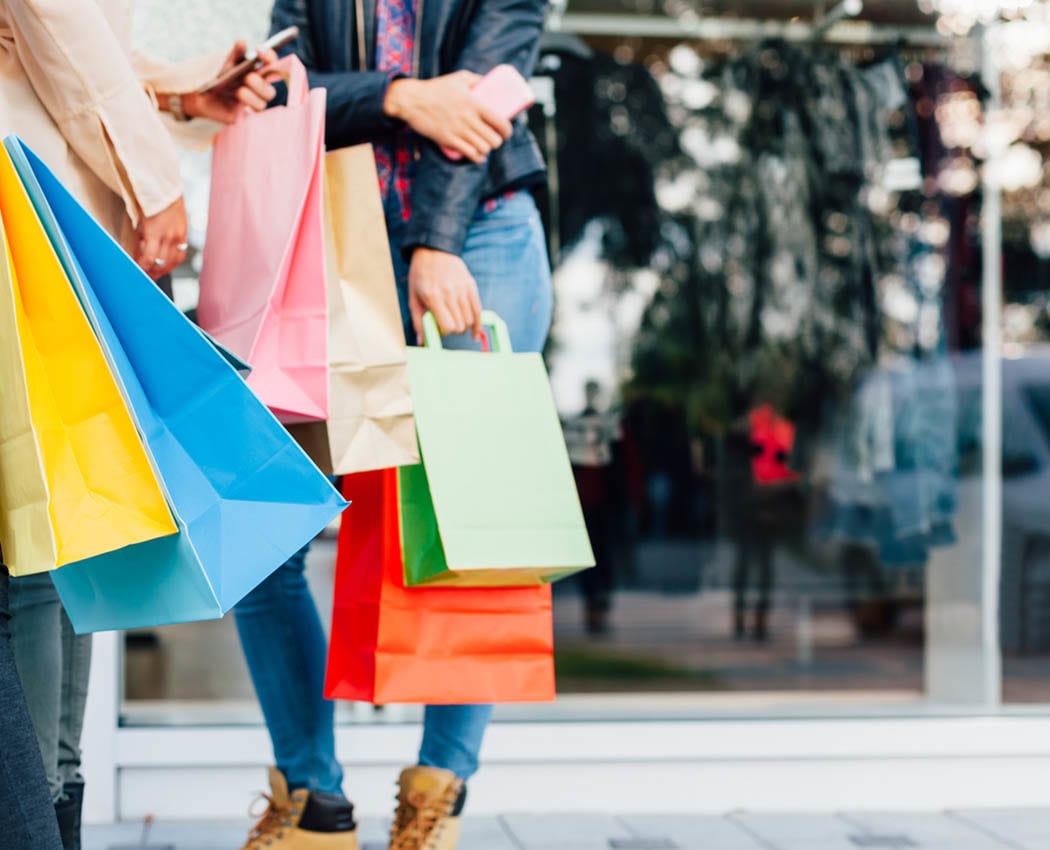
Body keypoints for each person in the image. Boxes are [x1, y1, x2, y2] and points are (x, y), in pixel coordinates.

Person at [233, 0, 550, 848]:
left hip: (479, 237)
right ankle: (314, 803)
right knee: (267, 528)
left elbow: (486, 101)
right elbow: (283, 96)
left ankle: (435, 794)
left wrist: (437, 244)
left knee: (474, 528)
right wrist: (405, 96)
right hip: (334, 239)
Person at [0, 3, 277, 847]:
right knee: (42, 550)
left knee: (58, 541)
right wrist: (156, 181)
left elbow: (75, 45)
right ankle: (47, 820)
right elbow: (56, 24)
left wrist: (184, 94)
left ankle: (51, 818)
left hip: (48, 193)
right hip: (36, 198)